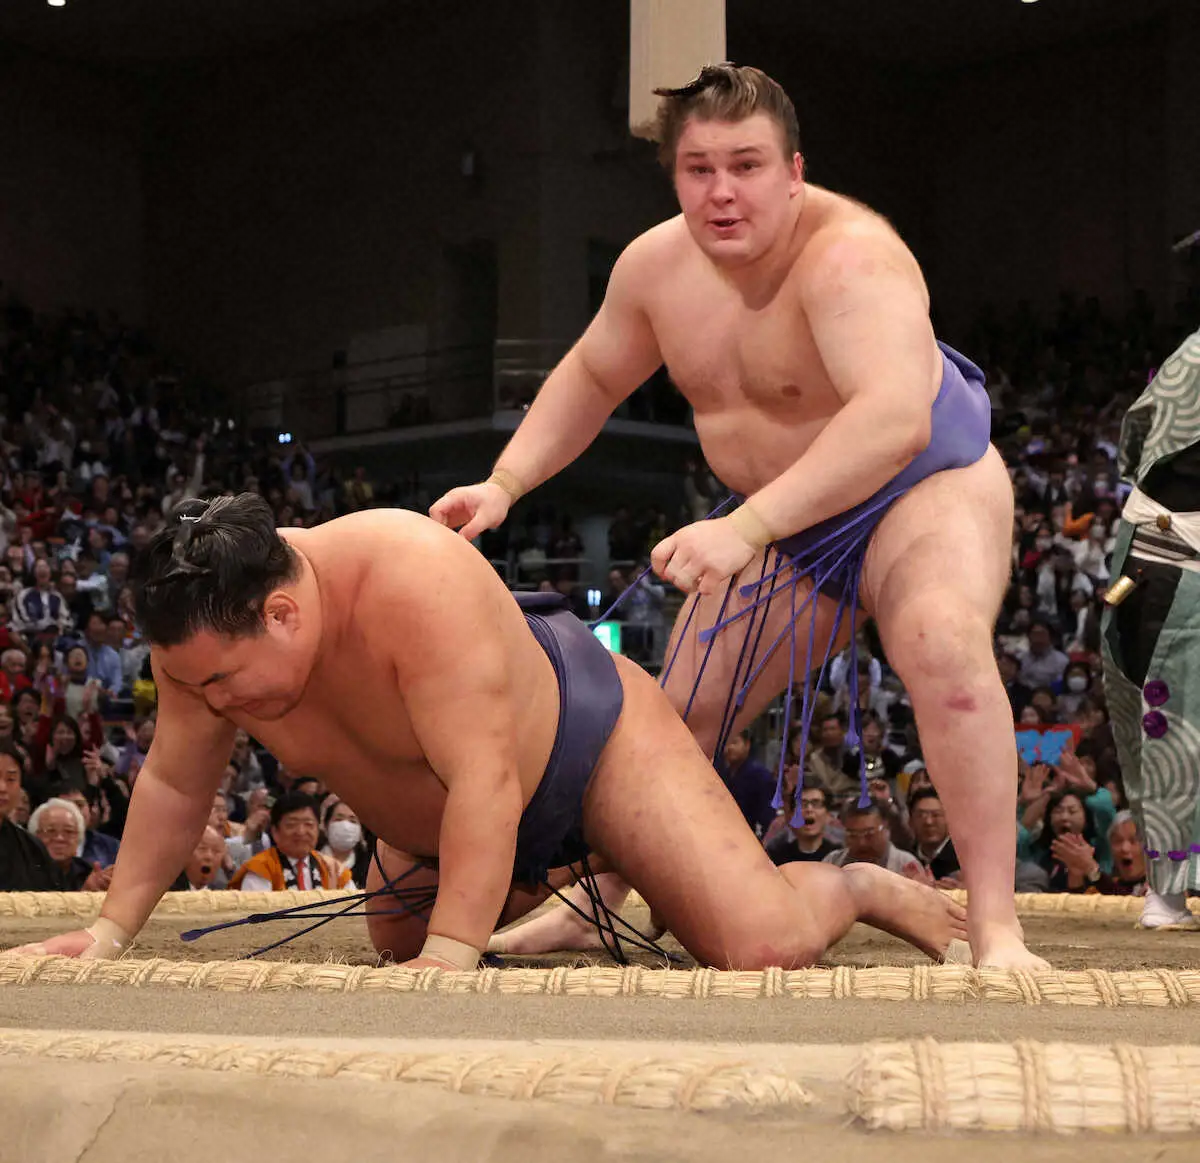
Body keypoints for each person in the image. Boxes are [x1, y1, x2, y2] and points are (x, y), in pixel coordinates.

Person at [431, 64, 1040, 967]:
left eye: (746, 166)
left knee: (944, 644)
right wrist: (507, 482)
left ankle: (994, 923)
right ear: (674, 175)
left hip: (923, 486)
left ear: (793, 170)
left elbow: (890, 418)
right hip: (787, 520)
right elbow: (596, 376)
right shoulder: (655, 269)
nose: (722, 192)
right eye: (698, 169)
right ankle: (601, 900)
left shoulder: (852, 256)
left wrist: (746, 528)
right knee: (675, 711)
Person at [6, 496, 964, 967]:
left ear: (285, 614)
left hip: (591, 746)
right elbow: (174, 786)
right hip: (440, 822)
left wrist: (456, 953)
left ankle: (854, 885)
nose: (203, 700)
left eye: (216, 679)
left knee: (762, 943)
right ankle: (589, 900)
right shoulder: (201, 649)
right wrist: (110, 928)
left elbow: (488, 781)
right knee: (396, 939)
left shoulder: (412, 577)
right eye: (184, 681)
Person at [1101, 327, 1200, 930]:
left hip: (1141, 559)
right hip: (1172, 573)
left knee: (1157, 730)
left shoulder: (1189, 353)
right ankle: (1167, 890)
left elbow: (1136, 433)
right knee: (1171, 734)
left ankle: (1168, 891)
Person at [228, 791, 351, 892]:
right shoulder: (261, 868)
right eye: (292, 825)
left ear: (318, 829)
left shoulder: (333, 869)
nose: (301, 832)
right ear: (275, 831)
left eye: (309, 824)